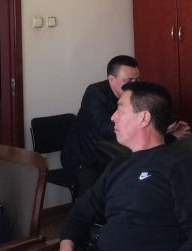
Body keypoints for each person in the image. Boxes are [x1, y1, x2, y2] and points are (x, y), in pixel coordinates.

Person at [46, 82, 192, 251]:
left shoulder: (179, 166)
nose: (113, 117)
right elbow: (81, 211)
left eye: (120, 109)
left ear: (144, 118)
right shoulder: (117, 166)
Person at [61, 55, 190, 194]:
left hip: (113, 155)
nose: (134, 85)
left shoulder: (133, 94)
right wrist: (163, 129)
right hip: (84, 159)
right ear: (111, 79)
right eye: (128, 81)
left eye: (137, 80)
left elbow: (149, 118)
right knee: (95, 198)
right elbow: (106, 128)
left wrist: (171, 127)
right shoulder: (95, 93)